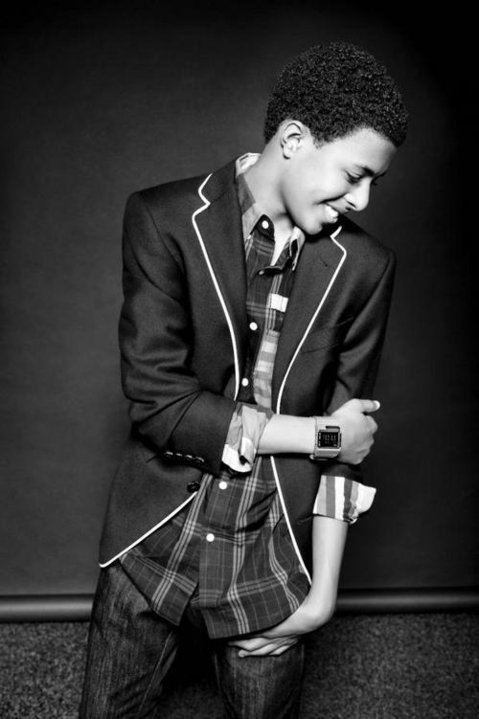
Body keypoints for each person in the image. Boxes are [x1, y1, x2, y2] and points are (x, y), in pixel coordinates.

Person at [80, 40, 408, 717]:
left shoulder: (365, 267)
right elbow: (161, 406)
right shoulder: (163, 218)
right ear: (293, 139)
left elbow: (350, 448)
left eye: (374, 183)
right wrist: (320, 434)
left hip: (271, 554)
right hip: (152, 543)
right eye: (354, 174)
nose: (362, 198)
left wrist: (319, 601)